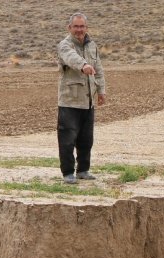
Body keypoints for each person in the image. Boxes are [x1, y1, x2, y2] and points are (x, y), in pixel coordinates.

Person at [56, 12, 107, 184]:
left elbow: (98, 69)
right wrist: (83, 65)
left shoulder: (92, 45)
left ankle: (83, 170)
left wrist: (101, 91)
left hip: (88, 101)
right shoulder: (64, 45)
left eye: (82, 26)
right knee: (67, 140)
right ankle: (68, 173)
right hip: (70, 101)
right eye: (76, 26)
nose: (79, 30)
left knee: (86, 140)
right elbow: (71, 58)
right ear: (69, 28)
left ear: (86, 27)